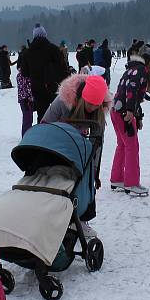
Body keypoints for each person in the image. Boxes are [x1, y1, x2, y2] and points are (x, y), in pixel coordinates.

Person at [43, 74, 110, 229]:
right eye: (90, 103)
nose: (93, 107)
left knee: (83, 182)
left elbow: (97, 145)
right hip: (56, 146)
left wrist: (94, 171)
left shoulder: (98, 114)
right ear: (82, 97)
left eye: (96, 105)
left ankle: (80, 218)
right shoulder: (62, 102)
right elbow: (44, 125)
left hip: (79, 152)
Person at [110, 41, 150, 196]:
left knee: (122, 145)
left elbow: (133, 95)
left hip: (116, 111)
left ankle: (117, 178)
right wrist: (130, 111)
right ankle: (132, 183)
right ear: (147, 58)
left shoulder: (132, 69)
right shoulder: (141, 71)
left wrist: (138, 115)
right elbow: (131, 91)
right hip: (124, 113)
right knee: (132, 146)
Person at [25, 24, 69, 123]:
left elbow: (24, 72)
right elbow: (62, 68)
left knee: (42, 115)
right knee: (59, 113)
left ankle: (42, 135)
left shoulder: (28, 52)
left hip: (37, 88)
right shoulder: (53, 49)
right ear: (45, 35)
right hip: (54, 86)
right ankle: (58, 133)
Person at [14, 45, 35, 137]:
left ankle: (27, 135)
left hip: (24, 99)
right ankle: (26, 136)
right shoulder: (25, 75)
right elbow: (28, 88)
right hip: (27, 100)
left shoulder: (20, 74)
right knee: (28, 119)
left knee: (28, 118)